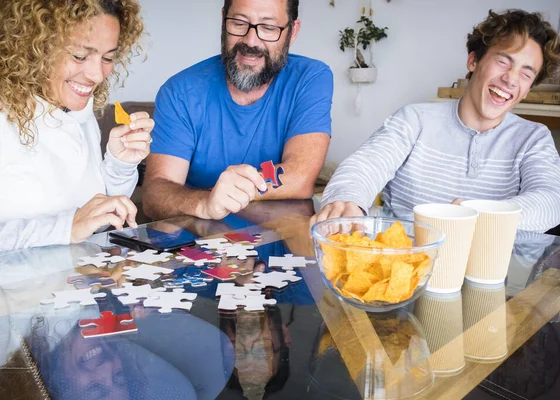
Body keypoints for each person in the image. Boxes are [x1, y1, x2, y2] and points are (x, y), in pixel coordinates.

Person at [313, 9, 560, 233]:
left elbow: (549, 204)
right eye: (503, 61)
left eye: (526, 73)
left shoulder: (534, 137)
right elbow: (365, 166)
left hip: (490, 275)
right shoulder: (414, 120)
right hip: (406, 265)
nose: (511, 79)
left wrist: (474, 212)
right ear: (473, 61)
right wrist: (346, 199)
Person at [142, 0, 333, 222]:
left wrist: (237, 190)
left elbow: (300, 177)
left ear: (292, 32)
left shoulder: (310, 78)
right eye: (239, 23)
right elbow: (155, 195)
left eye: (268, 28)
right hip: (198, 245)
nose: (251, 41)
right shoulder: (180, 91)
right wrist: (205, 203)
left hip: (283, 243)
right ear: (223, 20)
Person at [0, 0, 153, 251]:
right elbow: (74, 225)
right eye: (79, 56)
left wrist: (120, 164)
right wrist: (65, 227)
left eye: (108, 57)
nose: (97, 75)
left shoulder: (77, 109)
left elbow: (96, 217)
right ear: (34, 45)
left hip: (82, 281)